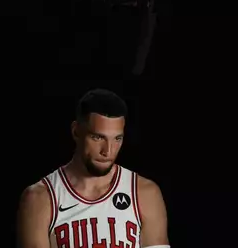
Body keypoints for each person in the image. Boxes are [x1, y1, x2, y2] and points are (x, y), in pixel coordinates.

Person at [17, 88, 170, 248]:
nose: (108, 151)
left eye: (117, 139)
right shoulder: (40, 198)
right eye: (98, 137)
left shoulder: (144, 193)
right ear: (76, 131)